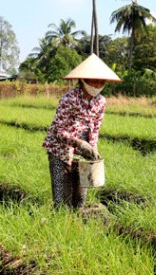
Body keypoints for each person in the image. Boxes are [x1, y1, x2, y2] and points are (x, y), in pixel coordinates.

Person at [43, 54, 121, 209]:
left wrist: (93, 148)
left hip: (83, 153)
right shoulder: (69, 98)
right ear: (83, 80)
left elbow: (96, 127)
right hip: (60, 151)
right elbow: (57, 130)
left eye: (101, 82)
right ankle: (58, 224)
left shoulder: (101, 102)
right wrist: (78, 142)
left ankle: (76, 225)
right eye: (94, 81)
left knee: (80, 198)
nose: (98, 85)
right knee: (61, 199)